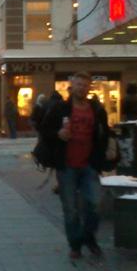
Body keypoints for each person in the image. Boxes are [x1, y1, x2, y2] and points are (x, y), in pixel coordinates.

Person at [40, 72, 112, 260]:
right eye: (78, 85)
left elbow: (104, 133)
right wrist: (58, 134)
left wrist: (105, 154)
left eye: (85, 85)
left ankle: (88, 237)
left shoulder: (97, 110)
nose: (82, 88)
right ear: (72, 87)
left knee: (95, 204)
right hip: (67, 166)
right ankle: (75, 245)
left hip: (89, 164)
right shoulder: (60, 109)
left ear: (89, 88)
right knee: (70, 209)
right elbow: (44, 130)